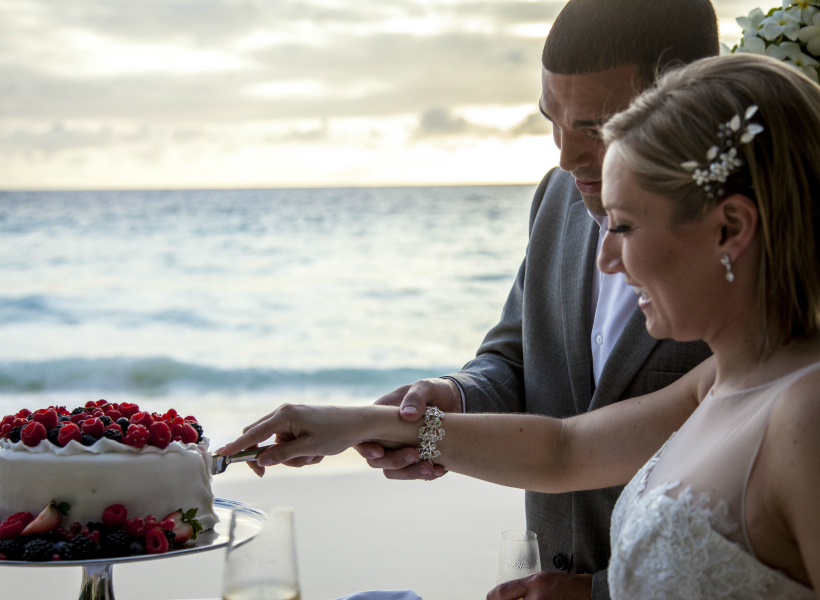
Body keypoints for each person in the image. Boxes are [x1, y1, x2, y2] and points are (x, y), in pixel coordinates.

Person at [219, 52, 820, 599]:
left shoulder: (806, 415)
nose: (608, 259)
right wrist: (357, 424)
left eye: (627, 228)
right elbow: (563, 451)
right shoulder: (717, 382)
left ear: (731, 227)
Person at [357, 1, 717, 598]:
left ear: (683, 98)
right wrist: (453, 399)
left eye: (596, 128)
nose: (566, 157)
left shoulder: (757, 268)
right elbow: (519, 362)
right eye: (553, 120)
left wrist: (597, 594)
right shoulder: (557, 197)